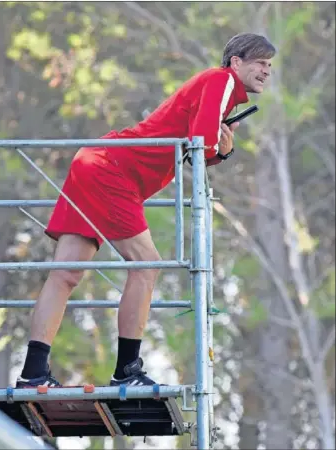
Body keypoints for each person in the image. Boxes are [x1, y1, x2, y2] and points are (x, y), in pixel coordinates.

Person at [16, 33, 276, 388]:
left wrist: (219, 147)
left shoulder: (218, 89)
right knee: (147, 265)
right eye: (260, 63)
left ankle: (32, 372)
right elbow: (201, 146)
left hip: (96, 161)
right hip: (113, 170)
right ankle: (128, 371)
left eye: (270, 65)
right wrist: (222, 147)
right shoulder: (221, 80)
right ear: (235, 62)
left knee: (65, 275)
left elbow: (196, 149)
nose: (267, 71)